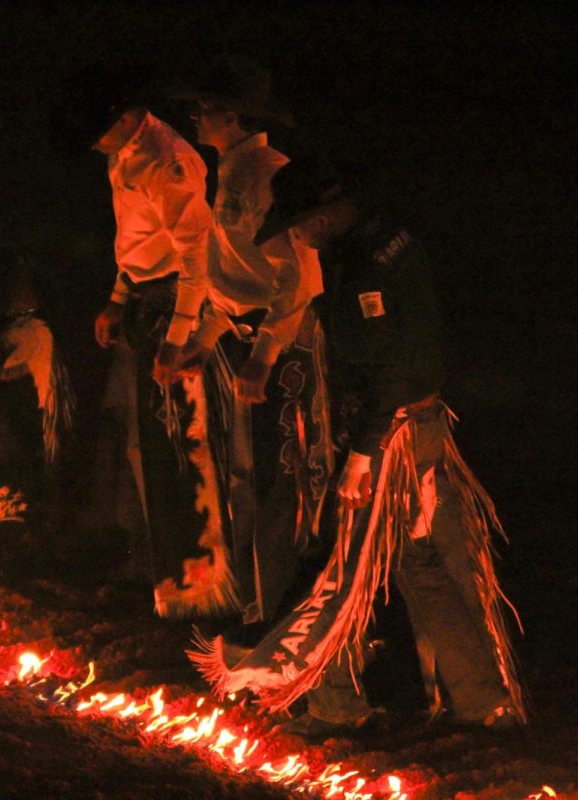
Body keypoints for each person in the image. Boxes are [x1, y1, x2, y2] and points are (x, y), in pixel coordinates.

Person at [190, 159, 525, 736]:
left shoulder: (367, 269)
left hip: (392, 437)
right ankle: (482, 700)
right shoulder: (393, 242)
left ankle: (329, 699)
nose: (297, 237)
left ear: (320, 219)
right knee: (417, 564)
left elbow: (391, 368)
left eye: (298, 225)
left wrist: (364, 456)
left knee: (344, 564)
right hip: (420, 426)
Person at [170, 59, 332, 630]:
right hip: (247, 341)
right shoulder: (233, 170)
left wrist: (264, 357)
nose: (194, 116)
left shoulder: (267, 172)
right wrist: (210, 334)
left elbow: (297, 278)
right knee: (244, 476)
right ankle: (259, 603)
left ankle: (295, 615)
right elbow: (232, 270)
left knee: (282, 481)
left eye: (203, 108)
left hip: (282, 348)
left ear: (230, 116)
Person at [69, 67, 232, 619]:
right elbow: (135, 238)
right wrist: (118, 296)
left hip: (172, 305)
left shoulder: (167, 161)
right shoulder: (125, 154)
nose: (94, 145)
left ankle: (202, 586)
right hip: (145, 299)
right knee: (143, 439)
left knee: (180, 444)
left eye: (98, 132)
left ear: (123, 119)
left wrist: (178, 334)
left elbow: (195, 254)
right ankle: (157, 568)